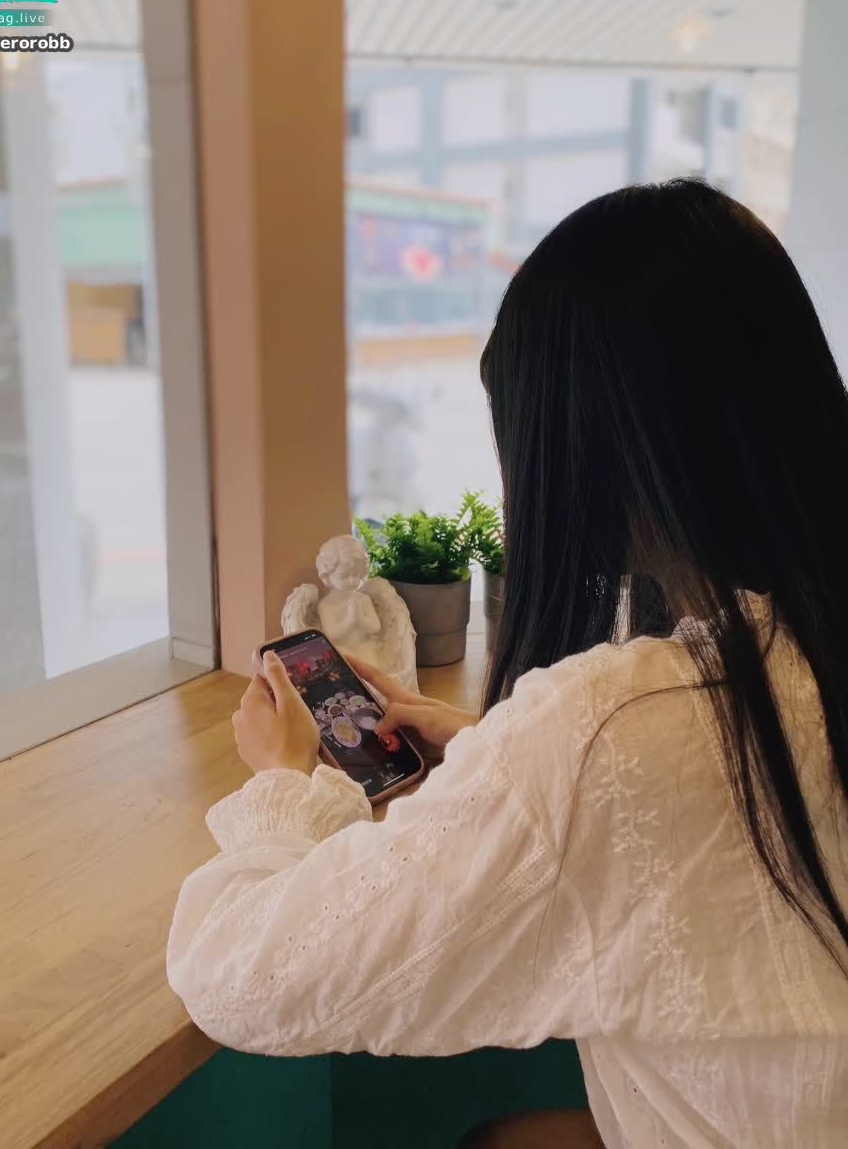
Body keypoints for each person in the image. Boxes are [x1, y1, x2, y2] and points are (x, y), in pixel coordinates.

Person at [167, 180, 848, 1148]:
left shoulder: (613, 726)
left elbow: (242, 980)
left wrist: (284, 785)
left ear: (586, 442)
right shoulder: (788, 654)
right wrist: (496, 749)